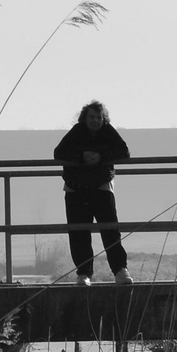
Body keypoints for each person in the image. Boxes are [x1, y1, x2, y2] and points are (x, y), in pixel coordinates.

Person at [54, 100, 133, 285]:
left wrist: (101, 157)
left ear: (103, 118)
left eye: (99, 117)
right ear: (84, 118)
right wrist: (81, 157)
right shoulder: (76, 132)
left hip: (101, 187)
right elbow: (59, 153)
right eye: (92, 117)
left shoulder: (108, 131)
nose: (96, 121)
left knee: (110, 230)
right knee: (79, 232)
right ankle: (84, 274)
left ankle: (120, 271)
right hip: (76, 188)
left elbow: (124, 151)